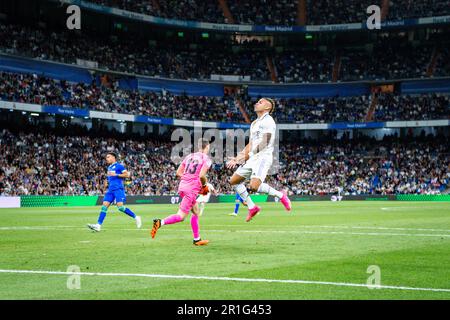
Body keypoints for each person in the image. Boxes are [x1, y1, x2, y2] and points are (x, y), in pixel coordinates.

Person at [226, 98, 291, 222]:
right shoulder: (254, 123)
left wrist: (249, 155)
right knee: (234, 181)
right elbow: (250, 144)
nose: (256, 103)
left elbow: (265, 142)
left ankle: (281, 195)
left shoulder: (269, 121)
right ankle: (252, 207)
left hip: (263, 157)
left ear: (267, 108)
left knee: (254, 187)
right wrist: (237, 158)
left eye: (261, 102)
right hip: (252, 157)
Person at [151, 139, 212, 246]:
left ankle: (197, 239)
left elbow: (178, 172)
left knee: (196, 211)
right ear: (207, 147)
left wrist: (188, 179)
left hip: (182, 186)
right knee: (181, 217)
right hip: (191, 190)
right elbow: (201, 176)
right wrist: (204, 186)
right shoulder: (206, 159)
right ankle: (160, 222)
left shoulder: (189, 156)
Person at [87, 152, 141, 232]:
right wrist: (106, 184)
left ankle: (136, 217)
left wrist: (116, 174)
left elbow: (127, 175)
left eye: (108, 157)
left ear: (113, 157)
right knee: (104, 207)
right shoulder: (109, 167)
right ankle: (98, 225)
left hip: (118, 189)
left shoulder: (119, 166)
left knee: (120, 207)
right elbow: (111, 178)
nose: (107, 159)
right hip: (110, 190)